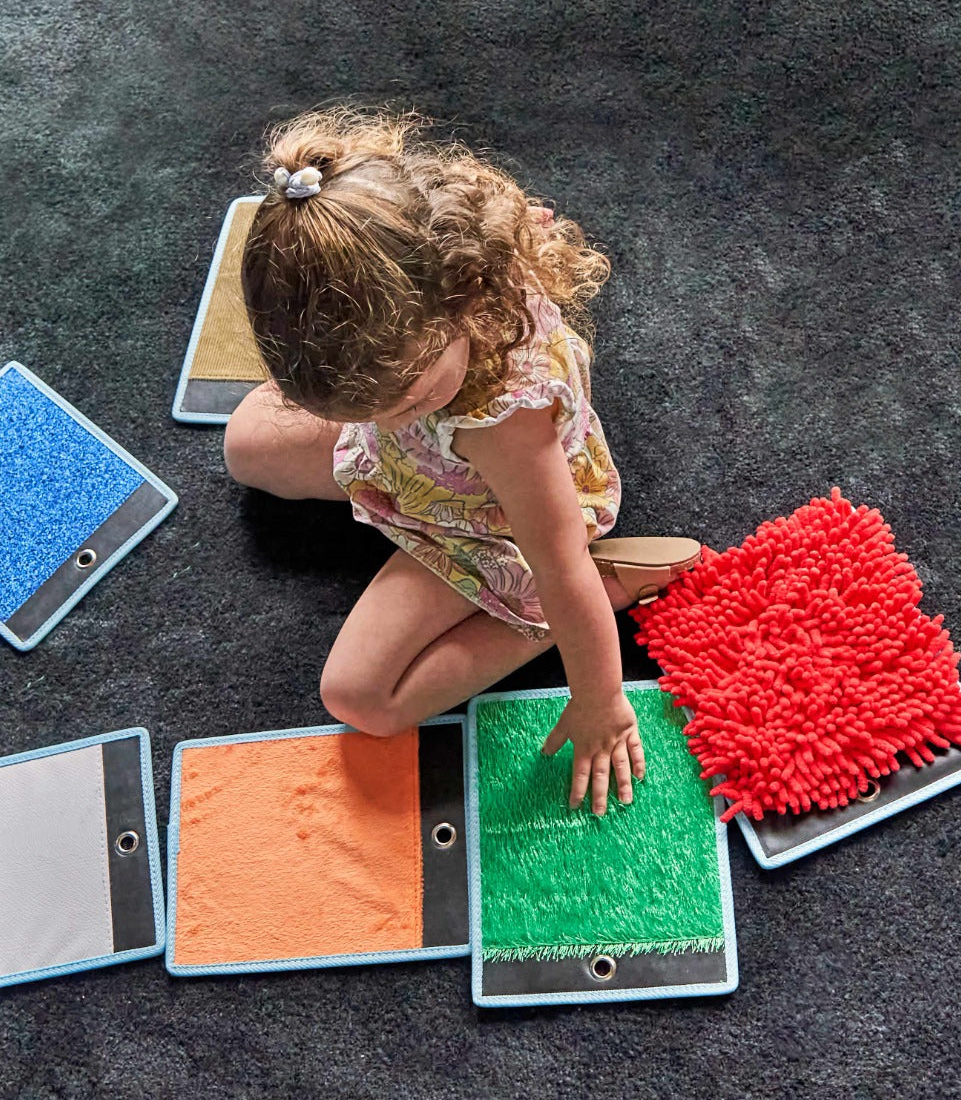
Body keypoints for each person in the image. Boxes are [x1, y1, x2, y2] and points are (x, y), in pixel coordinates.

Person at [224, 105, 701, 816]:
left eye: (409, 397)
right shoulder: (429, 231)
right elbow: (385, 390)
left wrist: (599, 700)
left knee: (361, 699)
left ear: (465, 298)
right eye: (361, 405)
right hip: (418, 462)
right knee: (245, 443)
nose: (388, 414)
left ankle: (613, 587)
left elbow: (557, 562)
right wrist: (383, 408)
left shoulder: (502, 423)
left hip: (491, 517)